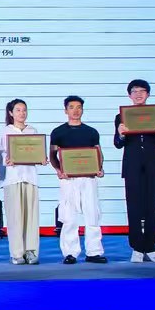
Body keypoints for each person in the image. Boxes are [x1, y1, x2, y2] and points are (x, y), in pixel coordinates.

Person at [114, 79, 155, 262]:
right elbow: (117, 144)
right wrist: (120, 135)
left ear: (148, 94)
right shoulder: (121, 116)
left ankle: (151, 247)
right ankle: (137, 248)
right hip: (132, 167)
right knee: (133, 207)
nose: (138, 94)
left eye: (142, 91)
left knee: (152, 207)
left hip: (153, 166)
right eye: (134, 91)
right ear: (129, 95)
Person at [50, 95, 107, 265]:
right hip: (68, 180)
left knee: (92, 214)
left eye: (79, 107)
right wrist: (59, 170)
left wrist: (99, 168)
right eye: (71, 107)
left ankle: (94, 252)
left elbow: (98, 153)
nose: (75, 111)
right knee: (69, 217)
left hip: (89, 178)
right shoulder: (58, 132)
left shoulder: (91, 132)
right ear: (65, 110)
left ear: (82, 109)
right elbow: (52, 155)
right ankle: (70, 252)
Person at [0, 98, 45, 265]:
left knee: (31, 216)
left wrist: (42, 158)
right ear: (11, 113)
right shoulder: (5, 132)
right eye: (18, 110)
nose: (22, 113)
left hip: (30, 177)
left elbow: (37, 152)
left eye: (24, 110)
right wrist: (6, 159)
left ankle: (31, 251)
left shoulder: (33, 131)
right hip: (12, 178)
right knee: (15, 216)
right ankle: (17, 253)